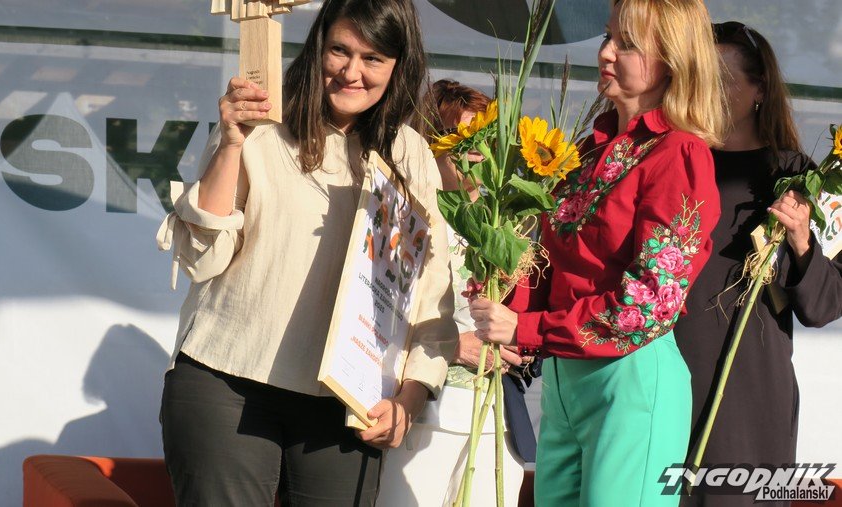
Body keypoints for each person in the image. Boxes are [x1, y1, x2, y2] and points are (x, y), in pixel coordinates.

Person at [155, 0, 457, 504]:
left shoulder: (410, 153)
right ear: (318, 46)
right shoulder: (260, 124)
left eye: (373, 58)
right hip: (226, 380)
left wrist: (410, 397)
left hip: (347, 398)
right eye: (340, 50)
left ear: (398, 67)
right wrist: (230, 144)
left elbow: (430, 293)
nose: (352, 72)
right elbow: (202, 258)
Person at [467, 0, 726, 504]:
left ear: (672, 61)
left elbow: (648, 303)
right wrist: (503, 292)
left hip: (628, 375)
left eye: (628, 44)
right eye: (608, 36)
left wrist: (525, 328)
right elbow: (554, 262)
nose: (606, 52)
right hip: (565, 375)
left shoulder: (680, 153)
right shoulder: (591, 150)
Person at [674, 22, 842, 507]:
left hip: (748, 391)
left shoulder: (799, 176)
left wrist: (801, 239)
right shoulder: (672, 165)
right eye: (701, 79)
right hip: (665, 377)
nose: (710, 93)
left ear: (760, 90)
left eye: (724, 80)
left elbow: (825, 305)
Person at [376, 79, 538, 507]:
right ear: (428, 143)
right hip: (421, 413)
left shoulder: (510, 226)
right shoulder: (403, 219)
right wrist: (452, 345)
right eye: (459, 137)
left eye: (483, 137)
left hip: (497, 421)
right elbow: (376, 315)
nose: (475, 150)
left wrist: (525, 344)